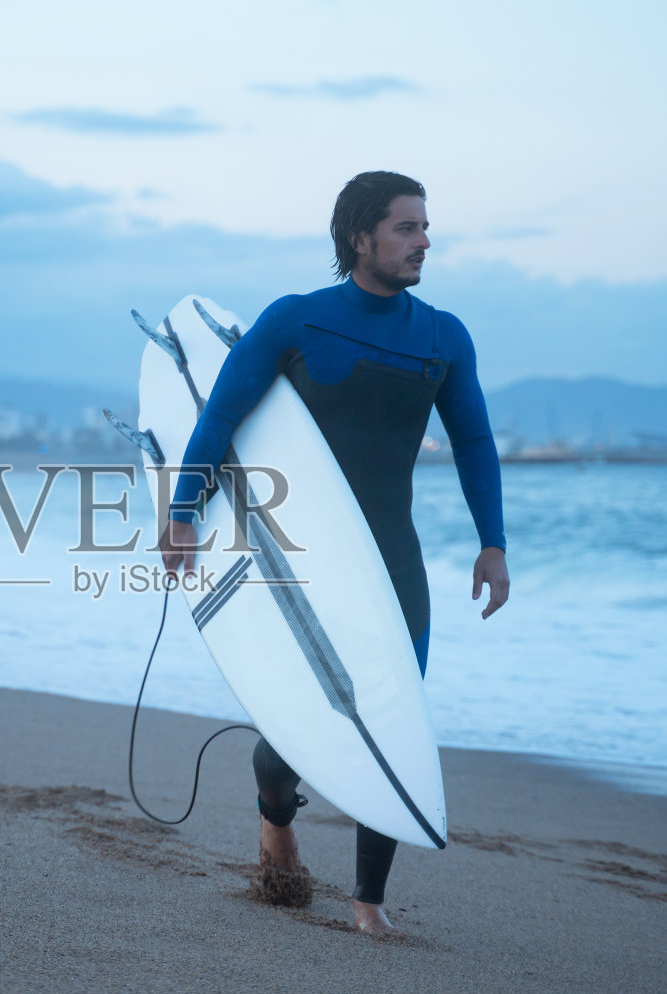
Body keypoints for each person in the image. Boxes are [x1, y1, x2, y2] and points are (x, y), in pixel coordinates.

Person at [158, 171, 510, 935]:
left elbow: (475, 441)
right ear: (361, 238)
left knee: (394, 714)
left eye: (425, 226)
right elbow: (222, 411)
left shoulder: (443, 336)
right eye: (408, 227)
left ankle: (368, 900)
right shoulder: (295, 321)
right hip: (298, 561)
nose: (425, 240)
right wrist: (183, 510)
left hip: (393, 560)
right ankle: (274, 812)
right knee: (292, 730)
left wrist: (493, 542)